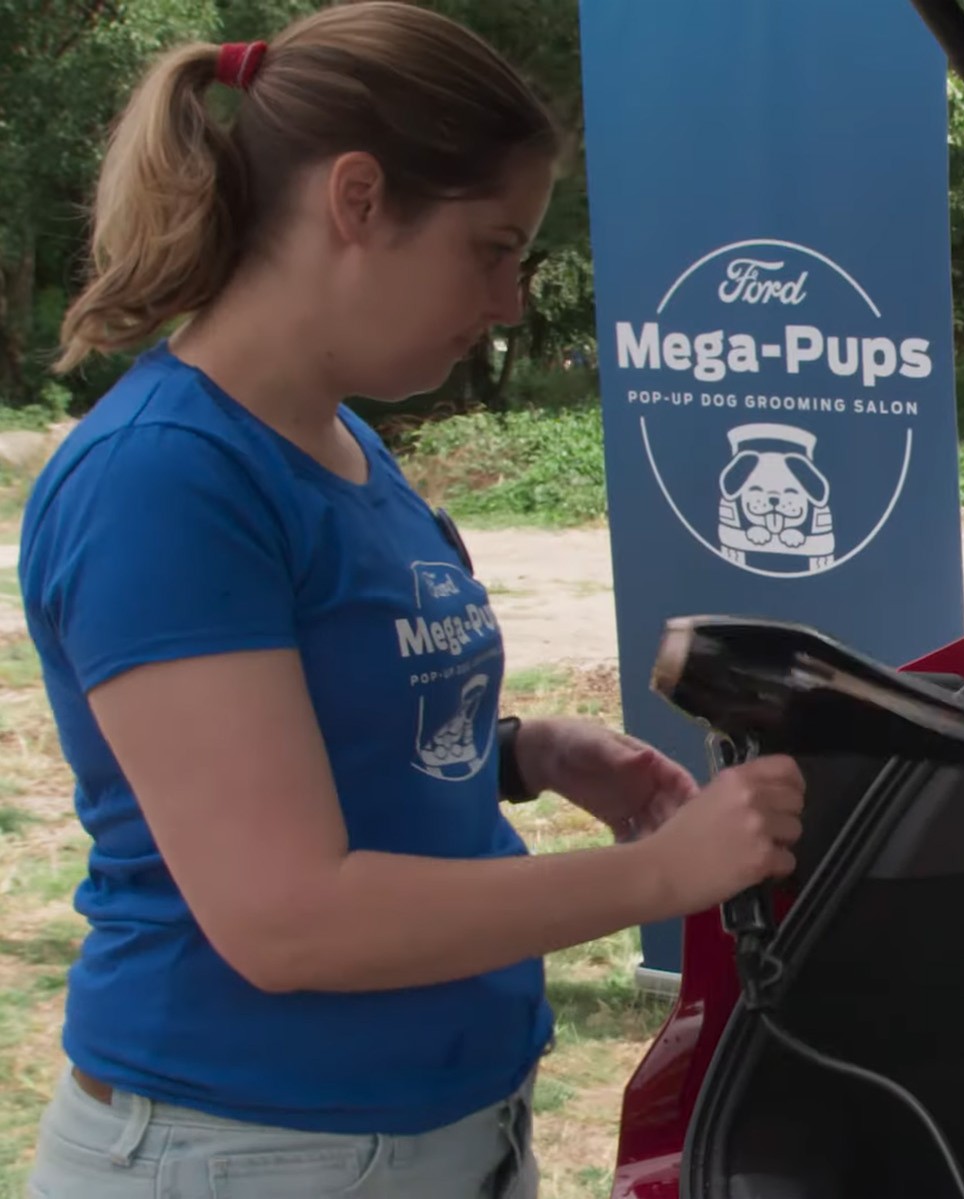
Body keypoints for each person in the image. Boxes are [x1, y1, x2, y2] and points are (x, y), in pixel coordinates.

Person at [18, 5, 805, 1195]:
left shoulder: (337, 441)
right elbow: (288, 917)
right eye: (491, 248)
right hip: (247, 1149)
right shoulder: (166, 478)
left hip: (437, 1132)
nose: (504, 304)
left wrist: (523, 754)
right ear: (357, 201)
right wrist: (663, 875)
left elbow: (316, 740)